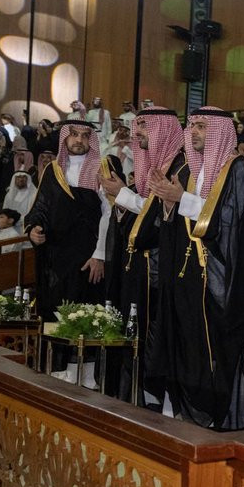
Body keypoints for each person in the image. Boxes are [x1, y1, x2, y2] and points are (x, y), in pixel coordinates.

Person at [146, 107, 244, 429]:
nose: (194, 132)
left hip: (224, 281)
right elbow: (181, 223)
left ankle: (218, 415)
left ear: (221, 132)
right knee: (189, 347)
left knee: (218, 350)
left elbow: (229, 220)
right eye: (192, 126)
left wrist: (181, 199)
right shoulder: (194, 172)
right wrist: (170, 202)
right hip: (192, 277)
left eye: (201, 126)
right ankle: (193, 412)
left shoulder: (238, 169)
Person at [100, 106, 186, 409]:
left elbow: (159, 217)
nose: (136, 133)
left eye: (144, 127)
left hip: (162, 268)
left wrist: (123, 194)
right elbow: (146, 211)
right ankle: (137, 396)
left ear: (162, 129)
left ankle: (155, 401)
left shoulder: (180, 167)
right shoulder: (157, 164)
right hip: (142, 266)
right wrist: (122, 197)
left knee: (155, 337)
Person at [25, 120, 109, 387]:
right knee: (57, 310)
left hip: (88, 257)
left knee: (86, 311)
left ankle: (86, 376)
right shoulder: (54, 170)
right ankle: (59, 369)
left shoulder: (102, 168)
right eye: (73, 135)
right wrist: (33, 229)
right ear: (64, 138)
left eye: (84, 136)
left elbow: (109, 215)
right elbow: (41, 207)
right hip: (56, 258)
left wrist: (100, 254)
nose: (79, 140)